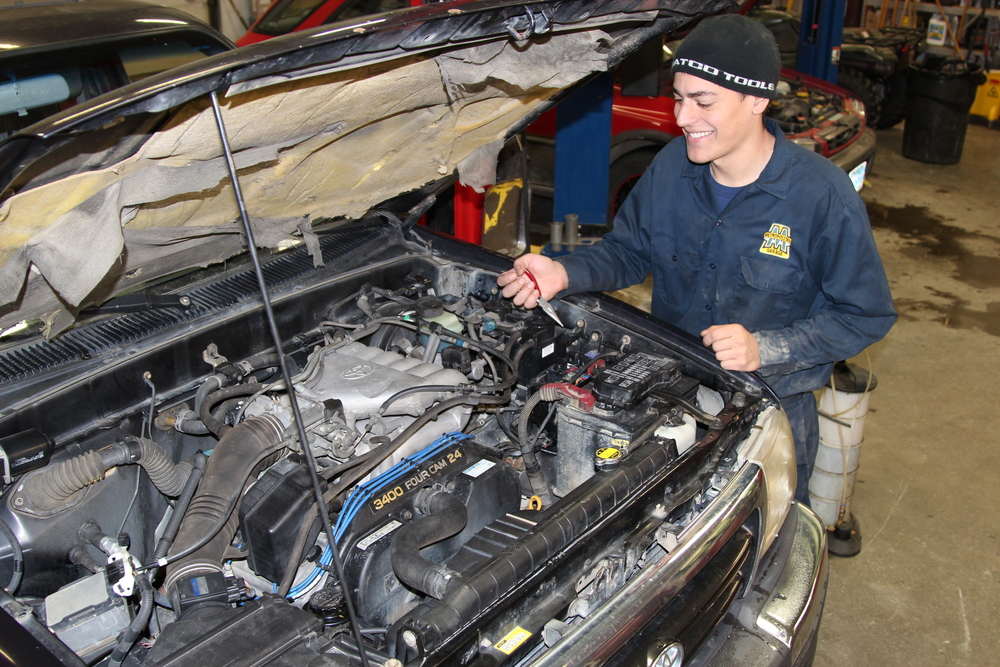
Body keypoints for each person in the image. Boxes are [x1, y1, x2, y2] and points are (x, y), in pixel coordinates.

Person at [497, 13, 896, 505]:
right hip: (672, 400)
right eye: (679, 98)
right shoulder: (672, 166)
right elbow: (628, 252)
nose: (684, 117)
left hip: (769, 416)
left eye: (704, 101)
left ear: (757, 99)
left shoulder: (821, 196)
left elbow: (866, 315)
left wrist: (767, 348)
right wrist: (563, 271)